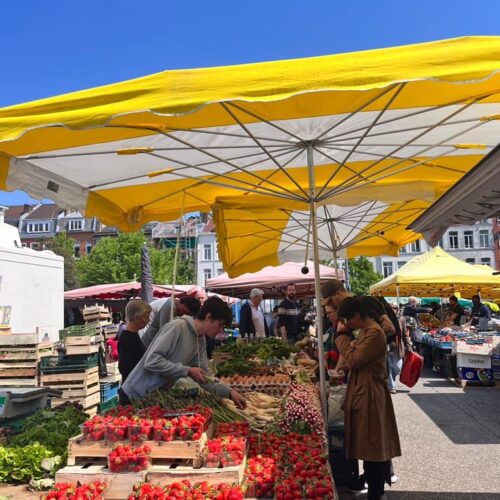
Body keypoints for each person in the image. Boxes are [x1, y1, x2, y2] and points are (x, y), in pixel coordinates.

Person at [120, 296, 247, 410]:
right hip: (134, 395)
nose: (220, 330)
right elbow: (152, 360)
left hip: (152, 398)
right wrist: (187, 370)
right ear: (208, 317)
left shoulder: (200, 340)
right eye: (220, 325)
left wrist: (230, 393)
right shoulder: (177, 327)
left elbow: (204, 377)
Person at [335, 297, 401, 500]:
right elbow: (354, 358)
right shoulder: (366, 332)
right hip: (363, 390)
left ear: (357, 315)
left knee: (373, 446)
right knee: (369, 445)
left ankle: (375, 492)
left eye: (348, 319)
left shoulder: (375, 334)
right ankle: (374, 487)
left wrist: (341, 337)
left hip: (371, 394)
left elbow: (354, 358)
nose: (347, 324)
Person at [118, 300, 152, 383]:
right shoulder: (128, 338)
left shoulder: (133, 335)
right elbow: (124, 368)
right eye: (146, 317)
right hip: (131, 387)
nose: (148, 320)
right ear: (137, 317)